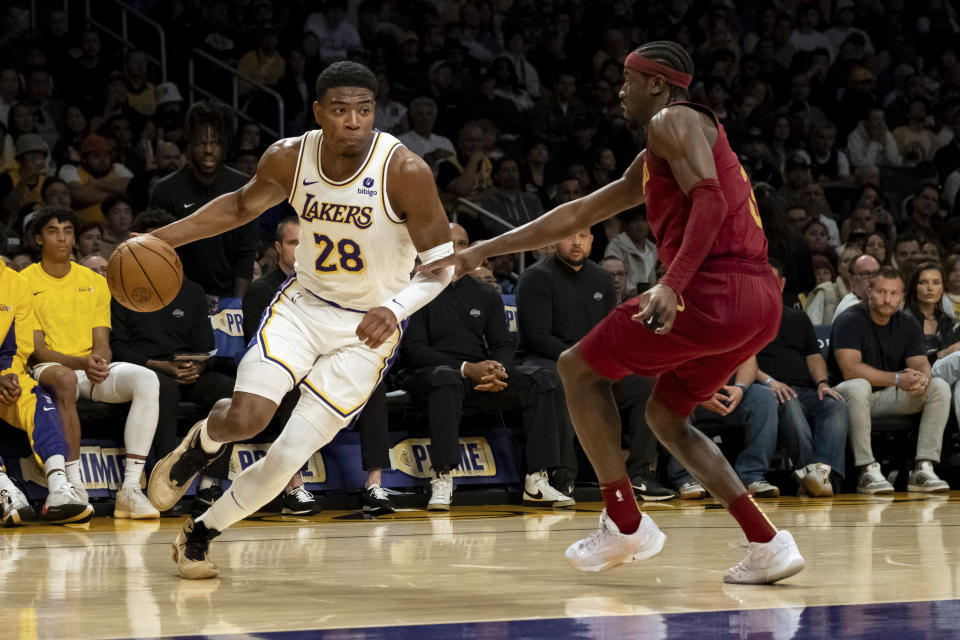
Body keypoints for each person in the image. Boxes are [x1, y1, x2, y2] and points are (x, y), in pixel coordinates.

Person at [433, 41, 803, 583]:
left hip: (713, 289)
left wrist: (673, 285)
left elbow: (712, 200)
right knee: (666, 418)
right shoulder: (663, 152)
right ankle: (767, 542)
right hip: (758, 300)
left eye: (627, 80)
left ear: (656, 83)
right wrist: (481, 251)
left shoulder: (672, 121)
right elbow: (578, 213)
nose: (620, 90)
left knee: (576, 370)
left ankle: (625, 519)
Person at [145, 62, 454, 579]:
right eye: (340, 110)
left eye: (363, 110)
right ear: (318, 113)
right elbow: (240, 206)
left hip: (368, 330)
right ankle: (203, 442)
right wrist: (161, 239)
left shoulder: (405, 171)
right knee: (247, 417)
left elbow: (443, 267)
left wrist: (395, 308)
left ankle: (200, 532)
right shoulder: (290, 157)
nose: (353, 121)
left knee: (289, 455)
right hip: (305, 307)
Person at [398, 222, 574, 510]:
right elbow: (415, 350)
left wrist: (497, 370)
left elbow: (503, 344)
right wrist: (467, 368)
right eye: (450, 244)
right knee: (445, 378)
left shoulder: (485, 293)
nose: (457, 250)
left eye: (463, 244)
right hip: (428, 377)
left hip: (480, 377)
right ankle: (443, 476)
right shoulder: (415, 290)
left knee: (540, 378)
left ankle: (537, 479)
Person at [23, 207, 160, 519]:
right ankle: (74, 483)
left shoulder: (94, 281)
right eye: (53, 231)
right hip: (50, 369)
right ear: (37, 238)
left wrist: (99, 361)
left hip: (87, 368)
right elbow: (37, 350)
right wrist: (81, 363)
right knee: (66, 379)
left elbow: (102, 340)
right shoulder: (24, 281)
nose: (62, 238)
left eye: (68, 231)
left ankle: (130, 489)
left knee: (146, 379)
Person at [831, 266, 951, 494]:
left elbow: (920, 362)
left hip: (887, 396)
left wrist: (920, 379)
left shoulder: (907, 322)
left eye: (894, 293)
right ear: (869, 291)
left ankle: (923, 468)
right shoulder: (850, 319)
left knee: (938, 386)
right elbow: (850, 369)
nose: (888, 299)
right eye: (882, 292)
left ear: (902, 296)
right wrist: (897, 379)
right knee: (858, 385)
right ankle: (866, 470)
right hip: (846, 399)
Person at [0, 258, 92, 525]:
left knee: (38, 399)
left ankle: (59, 487)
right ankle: (5, 489)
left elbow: (17, 347)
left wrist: (8, 375)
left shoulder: (15, 283)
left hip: (5, 374)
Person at [149, 101, 259, 303]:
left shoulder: (243, 186)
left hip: (230, 296)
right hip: (179, 296)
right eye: (201, 143)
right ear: (190, 144)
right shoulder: (165, 190)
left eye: (215, 142)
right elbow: (162, 252)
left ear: (224, 145)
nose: (209, 150)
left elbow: (246, 252)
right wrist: (193, 296)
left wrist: (236, 305)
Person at [758, 260, 847, 497]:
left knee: (835, 404)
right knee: (791, 405)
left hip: (806, 388)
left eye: (771, 281)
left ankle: (822, 473)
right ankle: (809, 474)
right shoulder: (746, 317)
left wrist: (822, 383)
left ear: (782, 284)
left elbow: (814, 357)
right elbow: (744, 360)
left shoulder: (799, 318)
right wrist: (770, 382)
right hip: (769, 389)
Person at [903, 261, 960, 426]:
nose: (930, 288)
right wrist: (945, 352)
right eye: (923, 282)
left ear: (942, 288)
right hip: (919, 374)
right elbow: (904, 360)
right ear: (914, 287)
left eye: (936, 283)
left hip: (945, 377)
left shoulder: (947, 321)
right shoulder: (904, 320)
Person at [833, 253, 880, 321]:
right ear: (851, 279)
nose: (872, 279)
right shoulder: (849, 308)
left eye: (876, 273)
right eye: (865, 274)